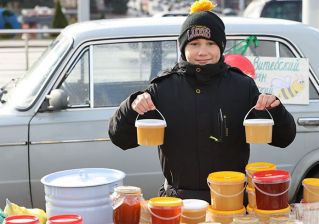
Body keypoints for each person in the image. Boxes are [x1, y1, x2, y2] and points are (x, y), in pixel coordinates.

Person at [108, 0, 296, 202]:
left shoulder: (243, 87)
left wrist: (274, 108)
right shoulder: (162, 88)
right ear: (183, 48)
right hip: (178, 201)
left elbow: (283, 139)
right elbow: (120, 139)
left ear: (221, 46)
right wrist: (132, 106)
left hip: (230, 199)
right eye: (194, 44)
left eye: (210, 44)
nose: (202, 52)